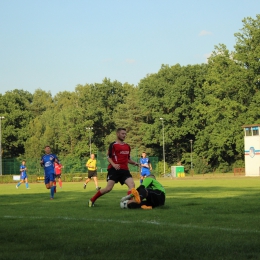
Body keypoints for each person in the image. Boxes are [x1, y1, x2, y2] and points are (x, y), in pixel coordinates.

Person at [88, 128, 139, 207]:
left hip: (124, 170)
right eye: (122, 134)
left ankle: (129, 203)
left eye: (125, 134)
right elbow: (108, 157)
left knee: (132, 185)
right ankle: (92, 200)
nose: (124, 135)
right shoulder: (113, 145)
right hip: (114, 170)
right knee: (108, 188)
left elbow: (128, 159)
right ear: (117, 134)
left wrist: (135, 163)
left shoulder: (127, 146)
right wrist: (114, 165)